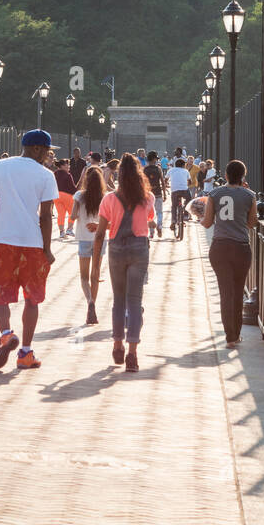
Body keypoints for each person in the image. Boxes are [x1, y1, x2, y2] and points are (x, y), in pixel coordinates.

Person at [0, 129, 57, 371]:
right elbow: (45, 216)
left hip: (4, 241)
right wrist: (48, 248)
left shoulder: (1, 167)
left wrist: (3, 209)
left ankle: (5, 334)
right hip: (32, 244)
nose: (48, 154)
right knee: (32, 299)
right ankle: (25, 352)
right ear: (36, 149)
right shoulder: (45, 175)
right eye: (46, 150)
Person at [94, 153, 154, 372]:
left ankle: (117, 344)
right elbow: (149, 218)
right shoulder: (147, 197)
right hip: (139, 248)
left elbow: (100, 232)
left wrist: (95, 261)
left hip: (117, 248)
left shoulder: (109, 199)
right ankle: (132, 354)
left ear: (119, 174)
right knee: (135, 302)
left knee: (118, 300)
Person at [203, 159, 257, 349]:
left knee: (225, 293)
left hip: (220, 247)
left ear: (225, 175)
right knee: (238, 291)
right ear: (243, 176)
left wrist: (198, 216)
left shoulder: (215, 193)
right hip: (241, 247)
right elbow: (251, 223)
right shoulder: (250, 195)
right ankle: (237, 333)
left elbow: (208, 222)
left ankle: (229, 337)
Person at [70, 164, 107, 324]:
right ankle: (94, 305)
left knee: (84, 277)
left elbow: (72, 216)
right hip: (100, 238)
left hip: (84, 237)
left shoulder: (79, 195)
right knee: (95, 274)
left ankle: (89, 302)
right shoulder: (106, 196)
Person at [142, 151, 166, 239]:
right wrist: (164, 194)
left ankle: (151, 233)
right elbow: (162, 182)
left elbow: (142, 182)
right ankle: (159, 225)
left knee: (149, 214)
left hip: (147, 194)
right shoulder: (158, 169)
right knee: (159, 212)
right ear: (154, 159)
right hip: (158, 193)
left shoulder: (145, 169)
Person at [167, 156, 190, 239]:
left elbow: (166, 178)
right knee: (189, 199)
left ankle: (173, 221)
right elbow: (189, 181)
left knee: (174, 206)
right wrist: (187, 184)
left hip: (175, 190)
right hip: (184, 190)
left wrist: (166, 184)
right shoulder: (186, 171)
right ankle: (185, 213)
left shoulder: (171, 170)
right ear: (183, 165)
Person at [53, 158, 77, 238]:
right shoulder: (68, 175)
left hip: (56, 196)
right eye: (67, 164)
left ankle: (61, 232)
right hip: (67, 196)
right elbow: (73, 188)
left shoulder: (54, 174)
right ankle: (69, 230)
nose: (69, 166)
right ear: (62, 166)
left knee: (61, 214)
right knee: (72, 213)